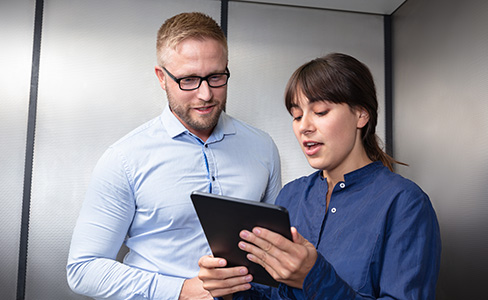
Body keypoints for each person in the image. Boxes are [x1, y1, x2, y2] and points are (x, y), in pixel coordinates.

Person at [67, 12, 282, 300]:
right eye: (189, 80)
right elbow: (83, 270)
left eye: (216, 77)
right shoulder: (124, 159)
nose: (205, 94)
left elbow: (274, 253)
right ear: (161, 78)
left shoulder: (263, 147)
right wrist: (181, 291)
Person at [198, 53, 441, 299]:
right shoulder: (291, 195)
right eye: (297, 115)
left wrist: (313, 278)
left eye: (321, 111)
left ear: (361, 115)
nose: (304, 126)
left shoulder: (405, 203)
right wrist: (230, 289)